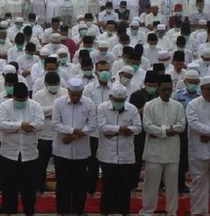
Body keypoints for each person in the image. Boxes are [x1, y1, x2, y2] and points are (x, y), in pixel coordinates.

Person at [140, 75, 185, 216]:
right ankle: (147, 211)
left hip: (172, 151)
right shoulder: (150, 105)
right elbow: (147, 126)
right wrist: (167, 130)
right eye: (164, 89)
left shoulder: (178, 106)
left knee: (172, 186)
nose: (167, 92)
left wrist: (159, 131)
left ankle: (172, 212)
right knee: (150, 185)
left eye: (169, 89)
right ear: (158, 89)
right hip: (154, 152)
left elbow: (181, 125)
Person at [0, 81, 44, 216]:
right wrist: (21, 126)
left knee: (29, 187)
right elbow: (1, 125)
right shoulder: (5, 106)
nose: (21, 102)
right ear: (13, 97)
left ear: (27, 97)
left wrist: (14, 128)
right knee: (9, 186)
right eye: (18, 100)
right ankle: (10, 211)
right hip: (9, 153)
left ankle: (29, 212)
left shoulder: (35, 106)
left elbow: (39, 124)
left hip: (30, 154)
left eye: (24, 100)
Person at [51, 78, 96, 216]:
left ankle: (78, 211)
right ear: (68, 91)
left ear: (82, 91)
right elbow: (55, 124)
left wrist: (73, 136)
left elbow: (92, 125)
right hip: (62, 151)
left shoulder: (89, 104)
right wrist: (72, 131)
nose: (76, 97)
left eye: (78, 94)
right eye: (73, 94)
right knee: (62, 184)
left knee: (80, 185)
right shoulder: (59, 103)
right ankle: (62, 211)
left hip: (81, 152)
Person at [97, 83, 142, 216]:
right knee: (108, 186)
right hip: (107, 154)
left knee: (124, 187)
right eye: (116, 101)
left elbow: (138, 128)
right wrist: (122, 129)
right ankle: (106, 211)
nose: (119, 103)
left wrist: (114, 131)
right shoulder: (102, 108)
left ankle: (124, 211)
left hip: (126, 155)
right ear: (111, 97)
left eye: (122, 101)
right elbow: (102, 127)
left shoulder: (132, 109)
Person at [185, 75, 210, 215]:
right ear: (201, 89)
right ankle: (198, 212)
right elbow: (193, 123)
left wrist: (208, 135)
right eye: (208, 89)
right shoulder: (193, 104)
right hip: (198, 151)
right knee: (198, 183)